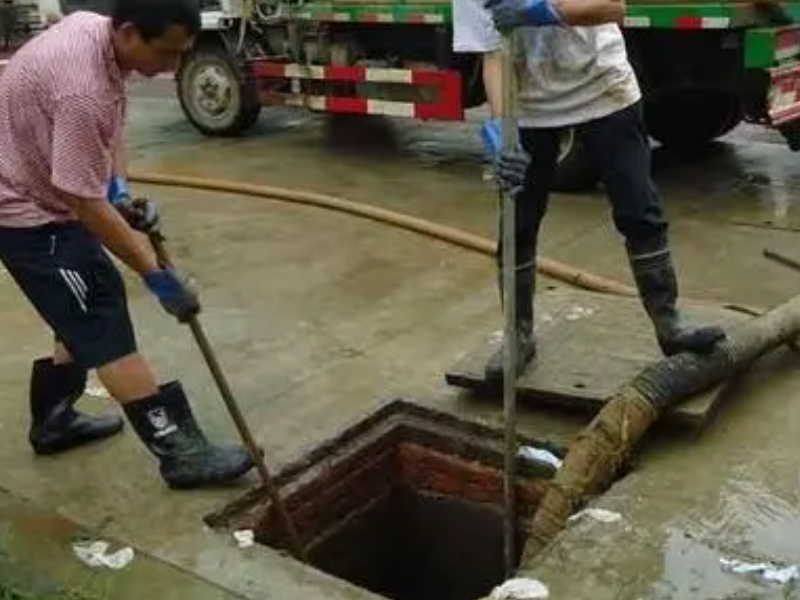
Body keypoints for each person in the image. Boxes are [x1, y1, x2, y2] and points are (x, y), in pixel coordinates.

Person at [0, 0, 255, 489]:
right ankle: (179, 452)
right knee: (99, 315)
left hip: (45, 184)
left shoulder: (96, 35)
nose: (173, 68)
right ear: (131, 32)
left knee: (79, 304)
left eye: (183, 55)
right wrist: (155, 275)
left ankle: (54, 421)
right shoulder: (82, 88)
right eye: (167, 54)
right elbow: (80, 194)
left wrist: (119, 189)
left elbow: (110, 125)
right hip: (25, 210)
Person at [481, 0, 726, 383]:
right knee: (517, 224)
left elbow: (614, 7)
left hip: (605, 91)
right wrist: (499, 128)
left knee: (639, 210)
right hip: (528, 106)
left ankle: (669, 324)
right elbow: (491, 52)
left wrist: (545, 11)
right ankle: (518, 336)